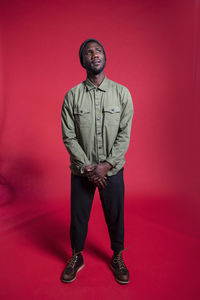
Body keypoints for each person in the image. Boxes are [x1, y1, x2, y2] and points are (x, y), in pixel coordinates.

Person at [61, 38, 134, 284]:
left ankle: (117, 256)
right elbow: (68, 135)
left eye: (98, 51)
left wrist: (106, 165)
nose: (94, 55)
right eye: (89, 53)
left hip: (111, 171)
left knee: (116, 214)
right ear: (83, 61)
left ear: (105, 57)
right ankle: (77, 255)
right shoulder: (72, 96)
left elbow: (124, 134)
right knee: (78, 216)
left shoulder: (122, 93)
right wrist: (88, 167)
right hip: (83, 171)